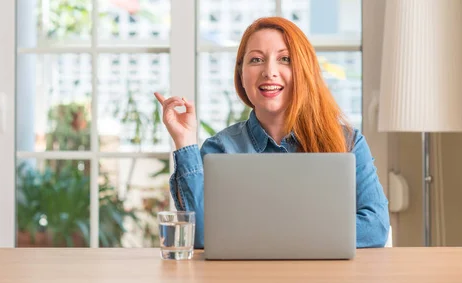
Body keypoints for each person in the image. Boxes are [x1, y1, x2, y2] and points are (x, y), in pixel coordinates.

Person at [153, 17, 390, 249]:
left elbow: (375, 227)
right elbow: (200, 236)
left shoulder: (348, 142)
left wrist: (270, 234)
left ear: (304, 71)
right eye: (256, 59)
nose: (269, 71)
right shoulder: (220, 150)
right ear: (241, 74)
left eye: (285, 59)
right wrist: (184, 141)